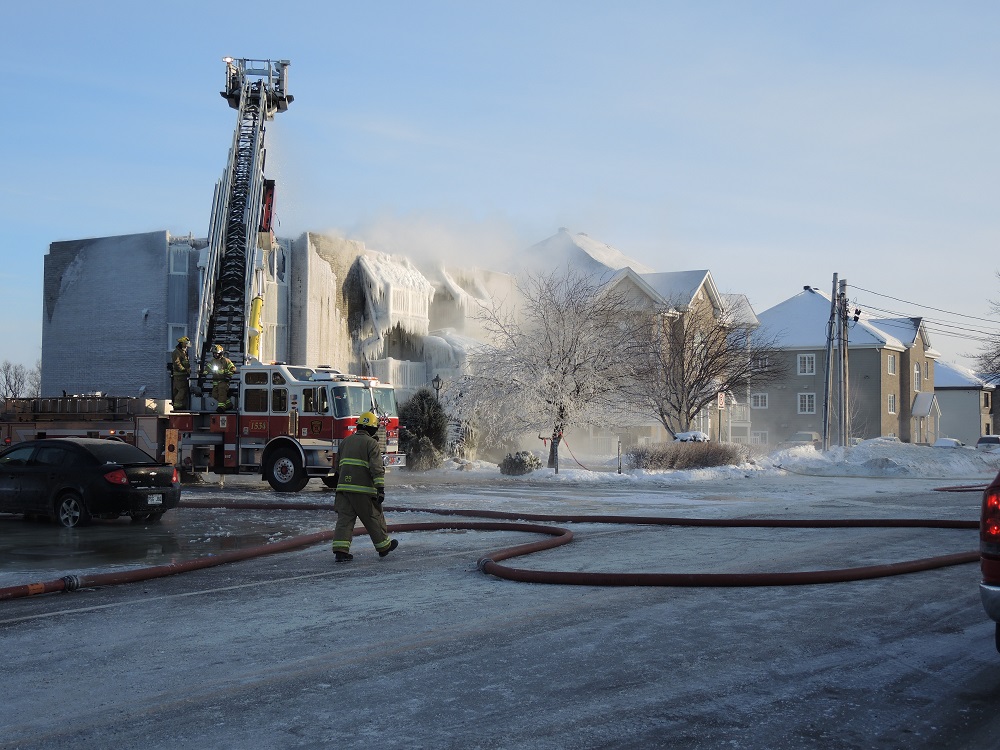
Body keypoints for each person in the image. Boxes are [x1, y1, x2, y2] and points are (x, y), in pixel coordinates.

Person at [330, 411, 398, 562]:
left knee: (345, 520)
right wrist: (380, 489)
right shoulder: (371, 443)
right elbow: (376, 468)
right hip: (363, 490)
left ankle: (340, 551)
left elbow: (337, 466)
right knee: (373, 517)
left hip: (344, 489)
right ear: (371, 428)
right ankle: (383, 547)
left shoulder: (345, 442)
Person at [207, 344, 236, 411]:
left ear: (220, 353)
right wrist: (204, 374)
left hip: (224, 381)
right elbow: (208, 368)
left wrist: (228, 375)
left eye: (217, 354)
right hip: (216, 382)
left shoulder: (226, 361)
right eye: (214, 353)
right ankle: (229, 405)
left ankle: (221, 407)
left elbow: (233, 368)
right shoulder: (213, 361)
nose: (215, 355)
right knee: (214, 395)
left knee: (221, 393)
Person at [170, 336, 191, 410]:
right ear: (182, 344)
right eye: (186, 344)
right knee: (182, 390)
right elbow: (177, 363)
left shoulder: (183, 352)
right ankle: (178, 406)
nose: (187, 346)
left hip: (183, 375)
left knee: (184, 390)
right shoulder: (176, 352)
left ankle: (181, 404)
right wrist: (184, 370)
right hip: (179, 375)